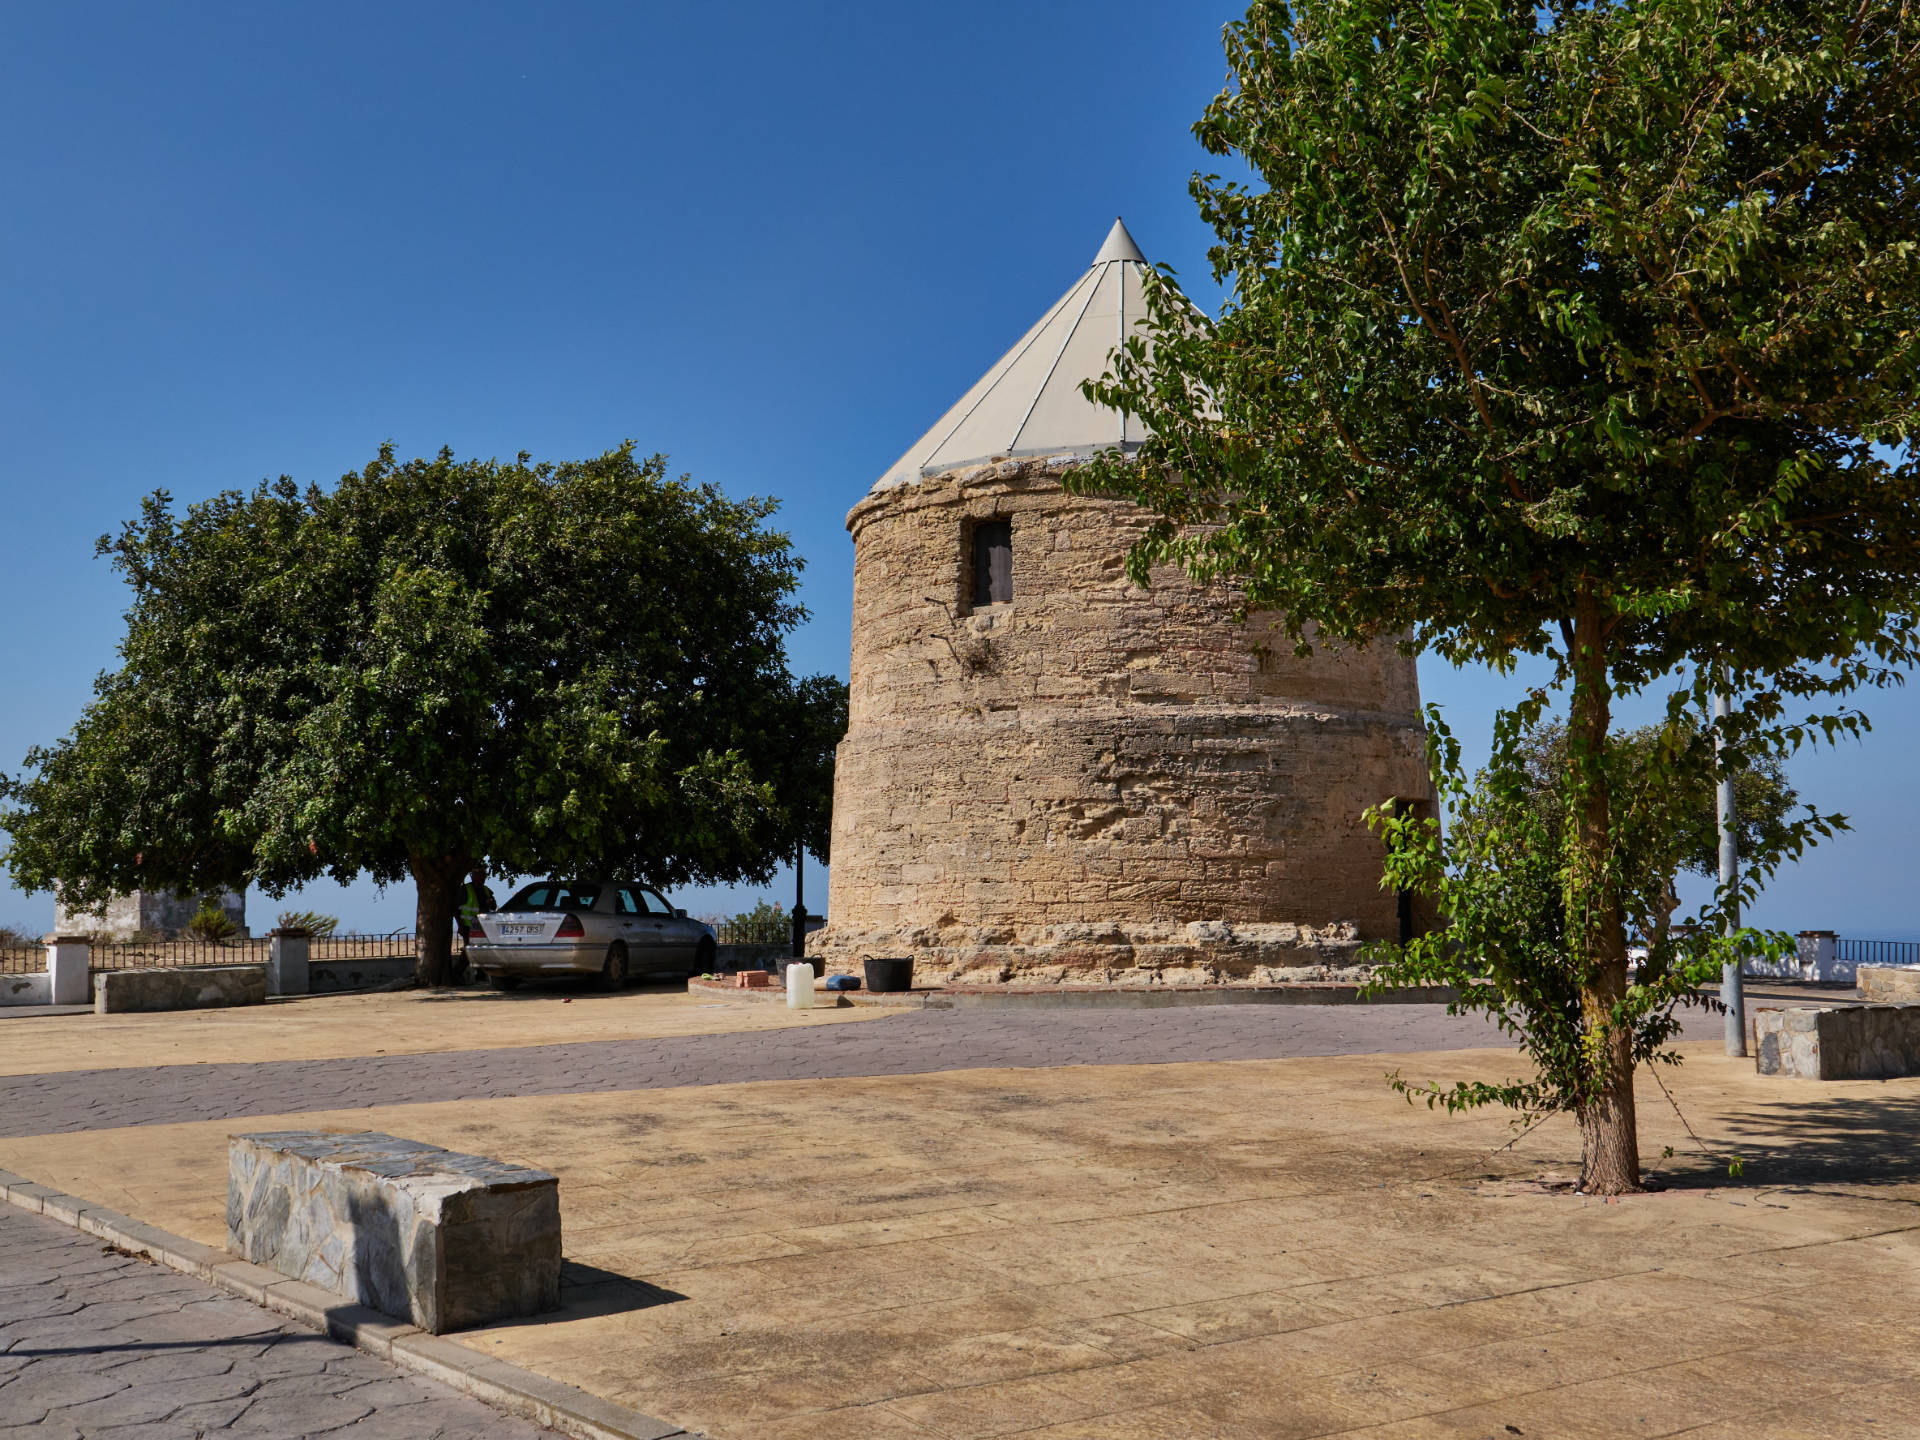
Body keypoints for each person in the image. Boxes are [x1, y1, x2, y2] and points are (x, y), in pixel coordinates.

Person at [452, 866, 497, 983]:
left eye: (483, 875)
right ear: (473, 876)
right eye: (479, 874)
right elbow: (455, 909)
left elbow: (493, 907)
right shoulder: (465, 890)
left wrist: (491, 903)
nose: (481, 877)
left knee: (483, 950)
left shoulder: (487, 890)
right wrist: (460, 925)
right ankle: (456, 973)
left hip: (483, 926)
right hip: (468, 926)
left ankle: (481, 975)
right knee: (469, 951)